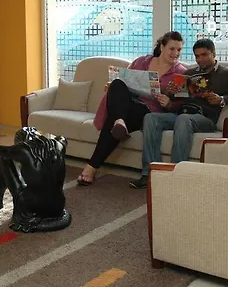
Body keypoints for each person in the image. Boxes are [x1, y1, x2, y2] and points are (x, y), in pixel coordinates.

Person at [132, 38, 228, 189]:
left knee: (184, 119)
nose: (200, 59)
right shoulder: (189, 74)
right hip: (182, 113)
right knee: (151, 118)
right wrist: (171, 92)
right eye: (197, 56)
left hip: (205, 119)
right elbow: (176, 100)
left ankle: (176, 175)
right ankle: (149, 174)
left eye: (204, 55)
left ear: (213, 54)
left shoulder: (227, 73)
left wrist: (222, 99)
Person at [77, 31, 187, 185]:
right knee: (116, 84)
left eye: (179, 49)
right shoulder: (142, 61)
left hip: (148, 111)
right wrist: (112, 86)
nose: (175, 53)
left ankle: (92, 166)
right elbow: (123, 80)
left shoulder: (181, 72)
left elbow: (182, 106)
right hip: (129, 104)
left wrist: (169, 103)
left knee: (113, 120)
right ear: (162, 47)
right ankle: (119, 122)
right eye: (172, 49)